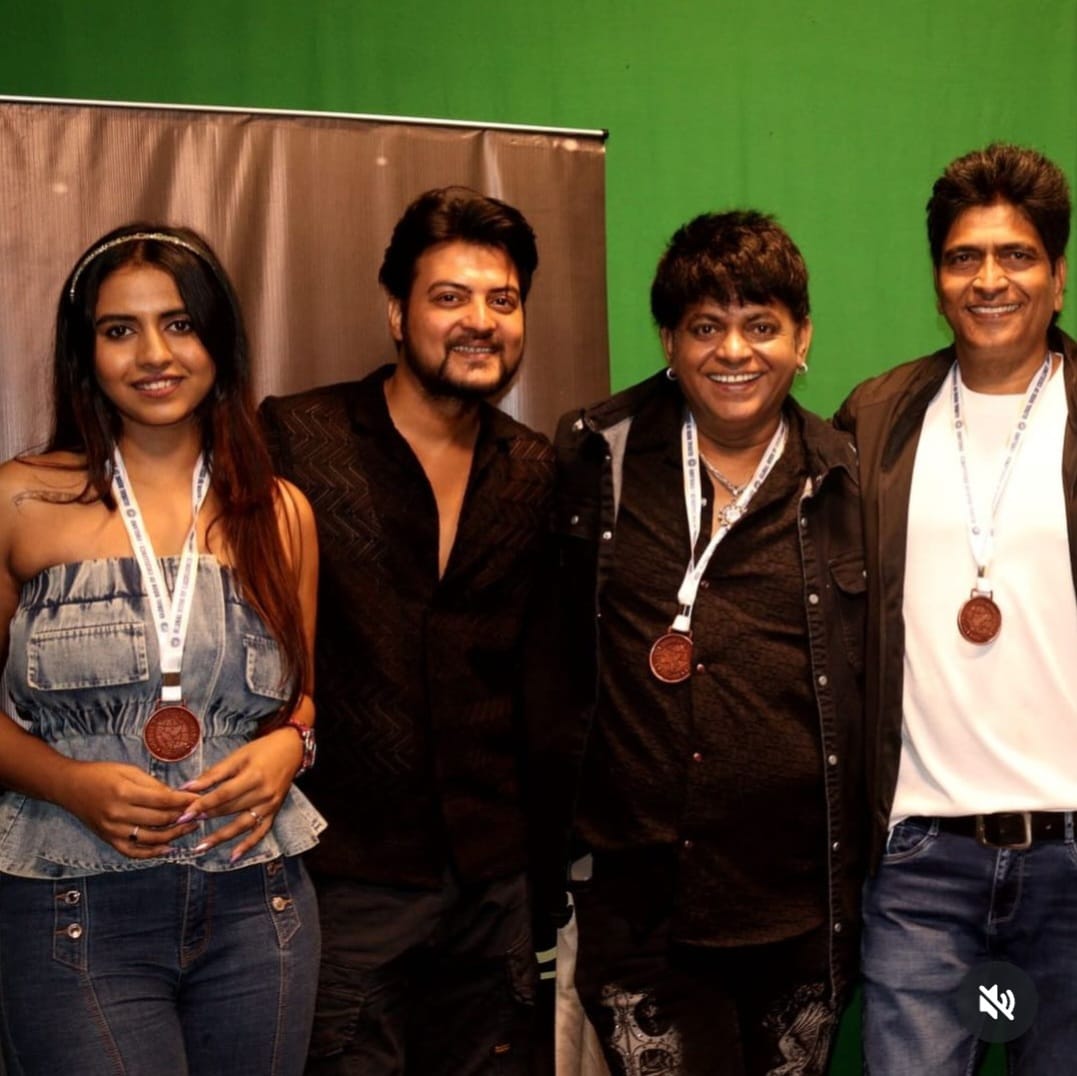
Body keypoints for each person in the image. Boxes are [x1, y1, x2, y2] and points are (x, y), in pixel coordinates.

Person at [0, 224, 324, 1075]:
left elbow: (301, 698)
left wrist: (290, 746)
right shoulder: (21, 501)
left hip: (260, 904)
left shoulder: (281, 513)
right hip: (73, 903)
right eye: (120, 329)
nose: (154, 354)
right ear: (86, 352)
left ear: (218, 339)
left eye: (179, 323)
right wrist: (68, 782)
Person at [553, 210, 866, 1076]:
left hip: (800, 913)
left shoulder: (843, 479)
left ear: (802, 339)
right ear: (668, 341)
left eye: (760, 325)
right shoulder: (598, 457)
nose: (734, 351)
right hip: (639, 916)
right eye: (705, 326)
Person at [259, 186, 555, 1075]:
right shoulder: (296, 441)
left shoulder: (539, 471)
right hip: (344, 877)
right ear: (397, 312)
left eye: (503, 300)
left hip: (494, 888)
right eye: (450, 297)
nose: (481, 322)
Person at [835, 142, 1077, 1073]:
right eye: (962, 257)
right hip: (920, 869)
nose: (988, 280)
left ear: (1057, 277)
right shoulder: (875, 419)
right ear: (937, 281)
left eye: (1016, 255)